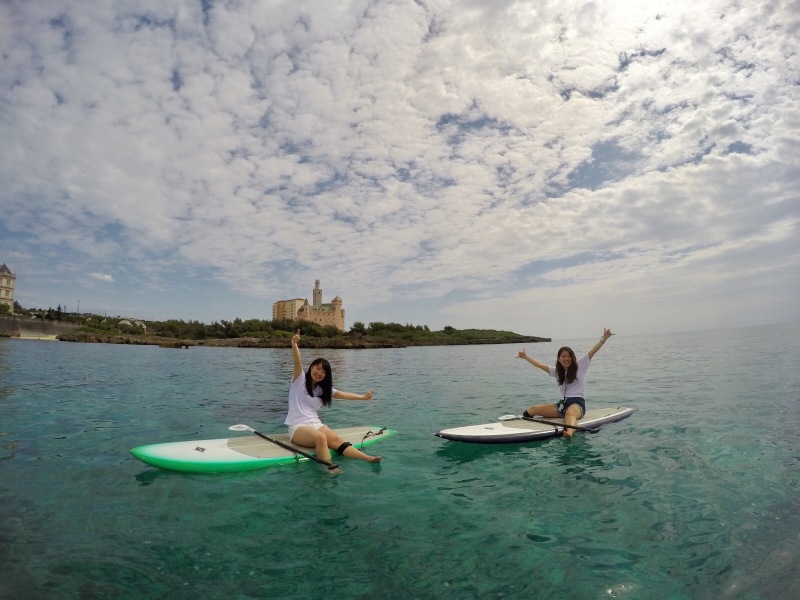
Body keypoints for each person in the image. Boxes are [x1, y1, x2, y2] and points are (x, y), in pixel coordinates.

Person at [285, 329, 381, 463]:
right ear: (312, 367)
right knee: (321, 438)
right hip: (297, 427)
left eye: (323, 372)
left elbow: (343, 395)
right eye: (318, 368)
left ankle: (367, 458)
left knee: (337, 440)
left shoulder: (322, 389)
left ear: (326, 376)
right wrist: (294, 344)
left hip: (315, 424)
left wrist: (363, 397)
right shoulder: (299, 380)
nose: (319, 373)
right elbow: (297, 361)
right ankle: (329, 469)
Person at [516, 328, 614, 439]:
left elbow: (593, 351)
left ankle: (570, 433)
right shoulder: (557, 372)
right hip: (563, 405)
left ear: (572, 357)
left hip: (577, 405)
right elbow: (540, 365)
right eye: (563, 356)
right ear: (559, 359)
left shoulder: (580, 366)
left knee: (570, 414)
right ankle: (518, 420)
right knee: (534, 409)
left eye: (569, 356)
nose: (566, 359)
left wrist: (604, 339)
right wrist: (525, 357)